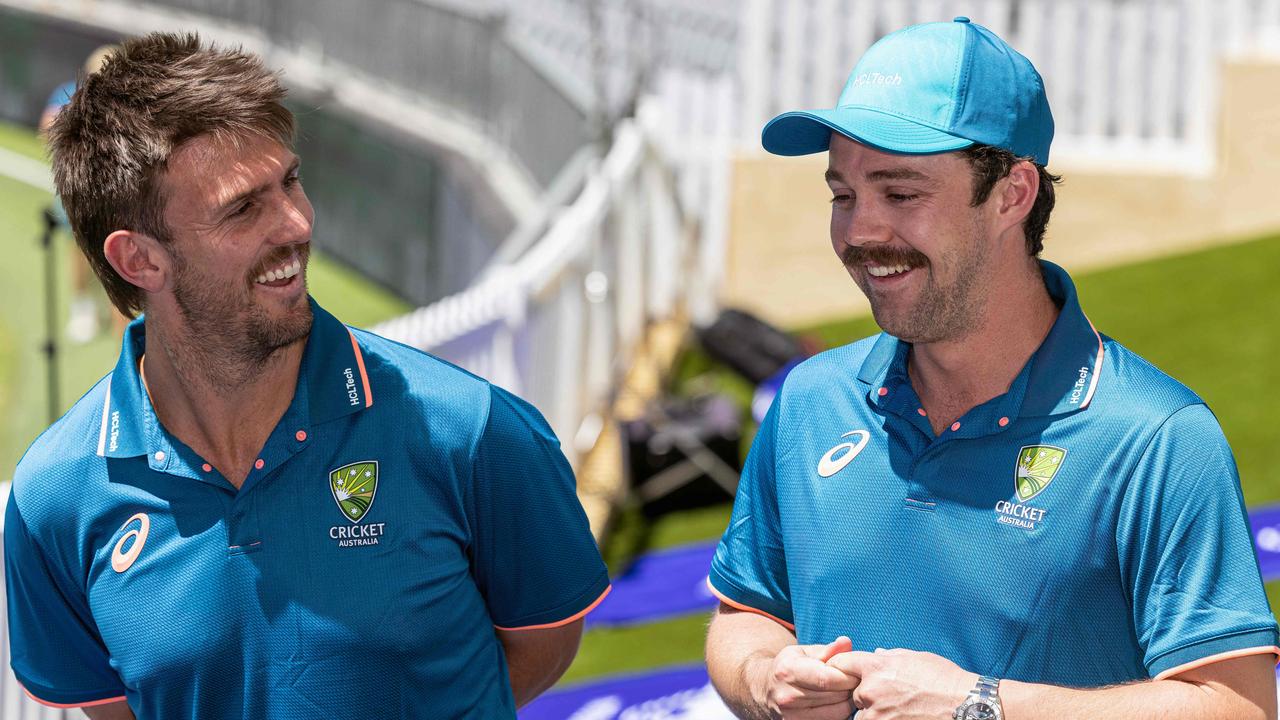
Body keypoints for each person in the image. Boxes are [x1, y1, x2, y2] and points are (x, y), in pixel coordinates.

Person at [6, 32, 609, 719]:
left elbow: (543, 643)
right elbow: (113, 707)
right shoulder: (52, 501)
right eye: (243, 208)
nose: (296, 224)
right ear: (139, 260)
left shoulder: (471, 430)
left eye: (289, 182)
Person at [704, 17, 1277, 720]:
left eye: (901, 194)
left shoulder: (1157, 437)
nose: (859, 233)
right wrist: (765, 677)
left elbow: (1236, 708)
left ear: (1013, 193)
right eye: (843, 196)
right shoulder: (809, 401)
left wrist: (981, 705)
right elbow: (743, 614)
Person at [40, 44, 127, 343]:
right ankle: (83, 308)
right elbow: (48, 130)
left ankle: (123, 344)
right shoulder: (70, 94)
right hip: (80, 192)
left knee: (122, 267)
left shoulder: (126, 105)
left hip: (119, 198)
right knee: (80, 252)